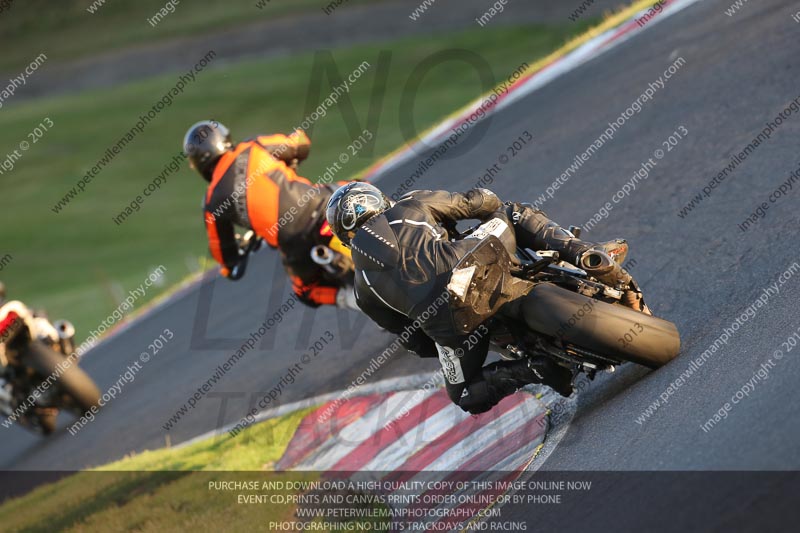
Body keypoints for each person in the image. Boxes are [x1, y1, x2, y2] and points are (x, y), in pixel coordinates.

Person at [326, 183, 631, 414]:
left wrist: (448, 339)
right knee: (514, 212)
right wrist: (488, 209)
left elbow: (414, 342)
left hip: (451, 325)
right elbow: (479, 201)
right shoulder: (410, 203)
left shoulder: (362, 288)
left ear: (344, 236)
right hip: (476, 257)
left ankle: (536, 369)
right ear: (380, 200)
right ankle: (588, 254)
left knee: (464, 395)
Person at [183, 120, 356, 309]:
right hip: (322, 205)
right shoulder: (253, 147)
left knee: (306, 291)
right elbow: (300, 143)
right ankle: (390, 220)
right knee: (360, 188)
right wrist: (292, 155)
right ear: (223, 139)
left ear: (198, 164)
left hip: (295, 244)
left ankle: (356, 301)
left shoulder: (211, 203)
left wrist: (236, 252)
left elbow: (224, 255)